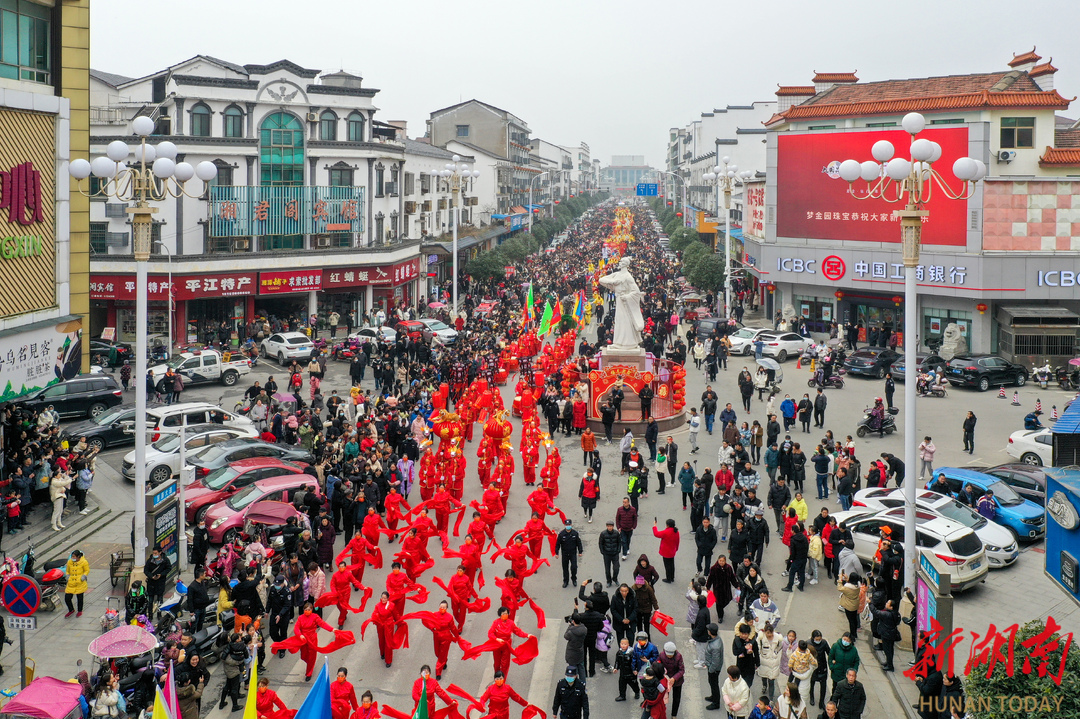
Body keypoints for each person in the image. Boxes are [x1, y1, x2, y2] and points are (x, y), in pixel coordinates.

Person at [556, 519, 584, 588]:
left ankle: (574, 579)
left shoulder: (575, 533)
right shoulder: (561, 534)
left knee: (574, 567)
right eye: (567, 525)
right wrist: (557, 553)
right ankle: (566, 581)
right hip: (565, 554)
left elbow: (579, 543)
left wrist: (580, 551)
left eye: (569, 525)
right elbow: (557, 544)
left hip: (573, 553)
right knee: (565, 568)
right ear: (565, 525)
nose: (568, 526)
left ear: (571, 525)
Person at [144, 544, 171, 612]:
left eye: (156, 553)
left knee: (160, 600)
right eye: (153, 553)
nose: (154, 554)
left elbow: (168, 568)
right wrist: (151, 576)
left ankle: (159, 614)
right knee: (150, 600)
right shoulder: (150, 561)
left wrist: (161, 575)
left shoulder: (165, 560)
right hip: (151, 583)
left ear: (160, 552)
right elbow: (146, 570)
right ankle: (150, 615)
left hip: (160, 582)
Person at [652, 518, 680, 583]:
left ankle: (668, 578)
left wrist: (655, 526)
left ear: (667, 525)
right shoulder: (676, 532)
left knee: (667, 566)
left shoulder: (666, 532)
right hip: (672, 551)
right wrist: (676, 549)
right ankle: (672, 577)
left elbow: (656, 534)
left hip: (666, 552)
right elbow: (677, 541)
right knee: (672, 564)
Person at [64, 549, 90, 618]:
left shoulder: (84, 562)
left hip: (79, 582)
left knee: (80, 598)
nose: (73, 558)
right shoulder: (69, 562)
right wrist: (67, 576)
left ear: (78, 557)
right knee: (67, 598)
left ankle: (80, 610)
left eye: (74, 557)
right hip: (71, 583)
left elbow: (86, 570)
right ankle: (71, 609)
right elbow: (67, 571)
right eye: (72, 556)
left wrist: (84, 576)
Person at [599, 520, 621, 586]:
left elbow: (619, 542)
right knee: (607, 569)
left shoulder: (616, 533)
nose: (609, 528)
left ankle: (615, 578)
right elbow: (600, 543)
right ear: (606, 526)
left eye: (611, 526)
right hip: (607, 554)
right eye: (608, 526)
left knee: (616, 568)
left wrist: (618, 550)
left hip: (615, 554)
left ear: (613, 527)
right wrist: (603, 552)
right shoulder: (603, 534)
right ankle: (609, 581)